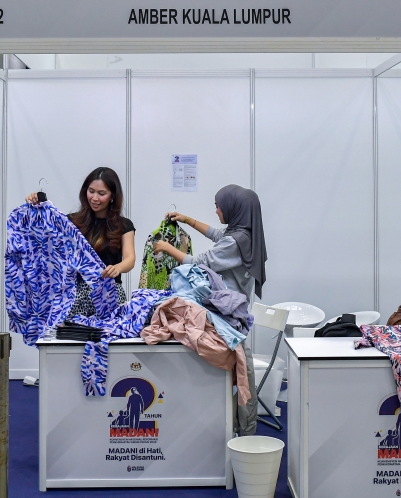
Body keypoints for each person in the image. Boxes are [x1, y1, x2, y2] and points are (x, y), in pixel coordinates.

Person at [153, 184, 268, 436]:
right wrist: (187, 220)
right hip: (232, 314)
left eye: (219, 206)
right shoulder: (244, 232)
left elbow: (200, 262)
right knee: (241, 374)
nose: (216, 210)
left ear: (234, 209)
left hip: (229, 319)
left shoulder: (236, 242)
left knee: (243, 376)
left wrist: (166, 248)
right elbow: (218, 234)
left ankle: (246, 436)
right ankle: (237, 427)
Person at [27, 167, 135, 314]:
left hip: (109, 295)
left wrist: (117, 268)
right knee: (71, 336)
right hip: (74, 295)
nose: (95, 198)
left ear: (112, 196)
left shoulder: (124, 225)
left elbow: (130, 259)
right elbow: (44, 240)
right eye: (91, 191)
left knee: (109, 334)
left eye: (101, 193)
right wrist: (37, 208)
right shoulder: (71, 221)